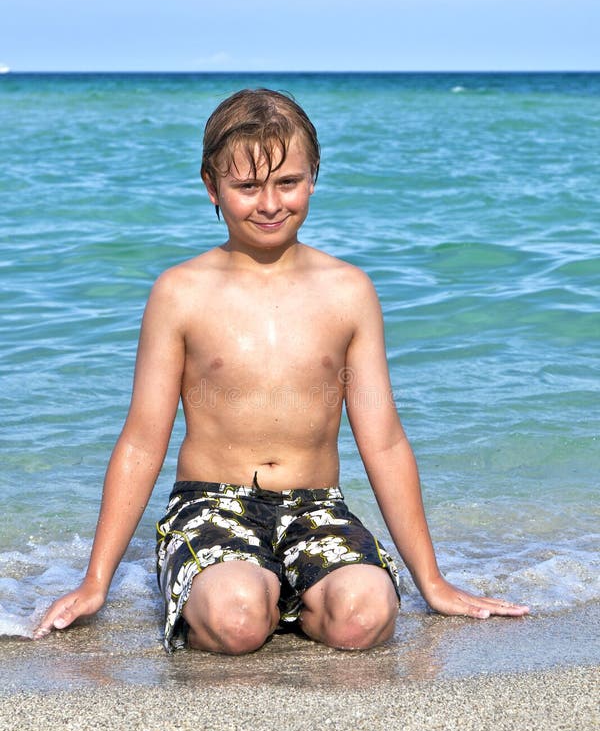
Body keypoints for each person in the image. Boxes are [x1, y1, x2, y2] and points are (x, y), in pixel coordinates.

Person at [34, 88, 528, 653]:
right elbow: (144, 440)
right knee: (238, 620)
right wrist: (96, 581)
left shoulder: (348, 291)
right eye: (246, 187)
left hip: (316, 506)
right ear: (211, 186)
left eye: (287, 182)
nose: (269, 203)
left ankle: (294, 599)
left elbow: (384, 441)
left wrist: (432, 582)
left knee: (364, 618)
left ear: (313, 177)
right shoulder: (180, 293)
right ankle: (252, 597)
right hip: (210, 504)